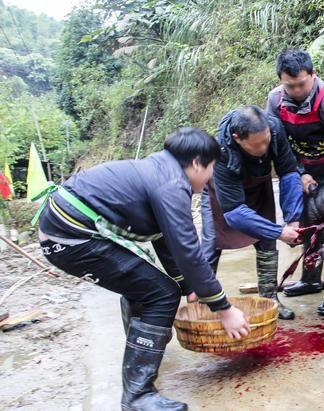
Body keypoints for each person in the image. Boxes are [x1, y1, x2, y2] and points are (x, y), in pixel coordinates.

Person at [35, 128, 250, 410]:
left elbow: (166, 242)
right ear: (197, 163)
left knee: (147, 287)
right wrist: (224, 308)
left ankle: (141, 350)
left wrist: (190, 288)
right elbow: (189, 252)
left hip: (64, 230)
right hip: (72, 237)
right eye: (210, 168)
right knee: (160, 294)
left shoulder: (161, 170)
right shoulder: (171, 184)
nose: (210, 177)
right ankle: (137, 395)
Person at [265, 48, 324, 316]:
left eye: (301, 83)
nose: (296, 90)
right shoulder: (275, 100)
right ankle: (311, 279)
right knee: (306, 225)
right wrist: (299, 172)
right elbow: (278, 143)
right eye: (289, 85)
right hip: (300, 169)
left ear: (313, 75)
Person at [200, 105, 304, 320]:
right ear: (237, 138)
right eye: (257, 145)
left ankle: (269, 299)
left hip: (258, 186)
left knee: (267, 242)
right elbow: (234, 212)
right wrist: (278, 231)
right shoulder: (219, 149)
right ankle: (205, 304)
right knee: (211, 246)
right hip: (223, 197)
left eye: (266, 141)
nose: (265, 148)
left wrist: (292, 218)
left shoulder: (274, 128)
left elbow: (288, 172)